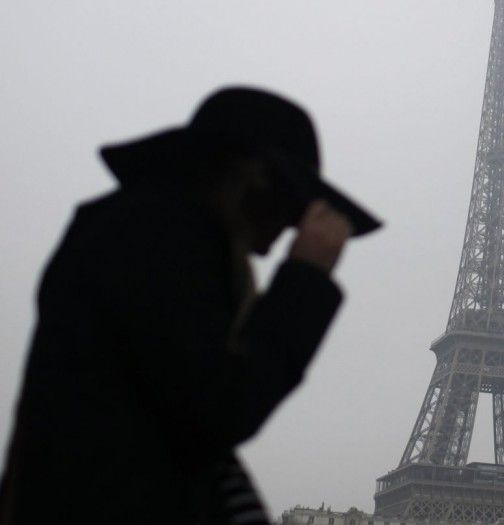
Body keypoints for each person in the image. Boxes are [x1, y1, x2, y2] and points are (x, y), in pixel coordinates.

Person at [0, 87, 381, 524]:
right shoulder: (159, 234)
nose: (287, 229)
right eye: (290, 206)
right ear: (254, 176)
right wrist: (306, 279)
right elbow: (219, 408)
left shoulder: (140, 228)